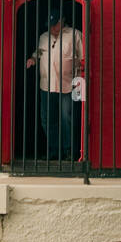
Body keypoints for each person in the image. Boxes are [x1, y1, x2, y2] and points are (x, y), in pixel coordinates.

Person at [26, 9, 83, 161]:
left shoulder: (75, 35)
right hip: (47, 85)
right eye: (49, 25)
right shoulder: (44, 37)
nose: (51, 28)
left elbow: (84, 57)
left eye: (54, 24)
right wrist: (33, 58)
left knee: (68, 118)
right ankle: (54, 150)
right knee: (47, 119)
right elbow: (39, 52)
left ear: (62, 21)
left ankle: (70, 150)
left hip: (69, 85)